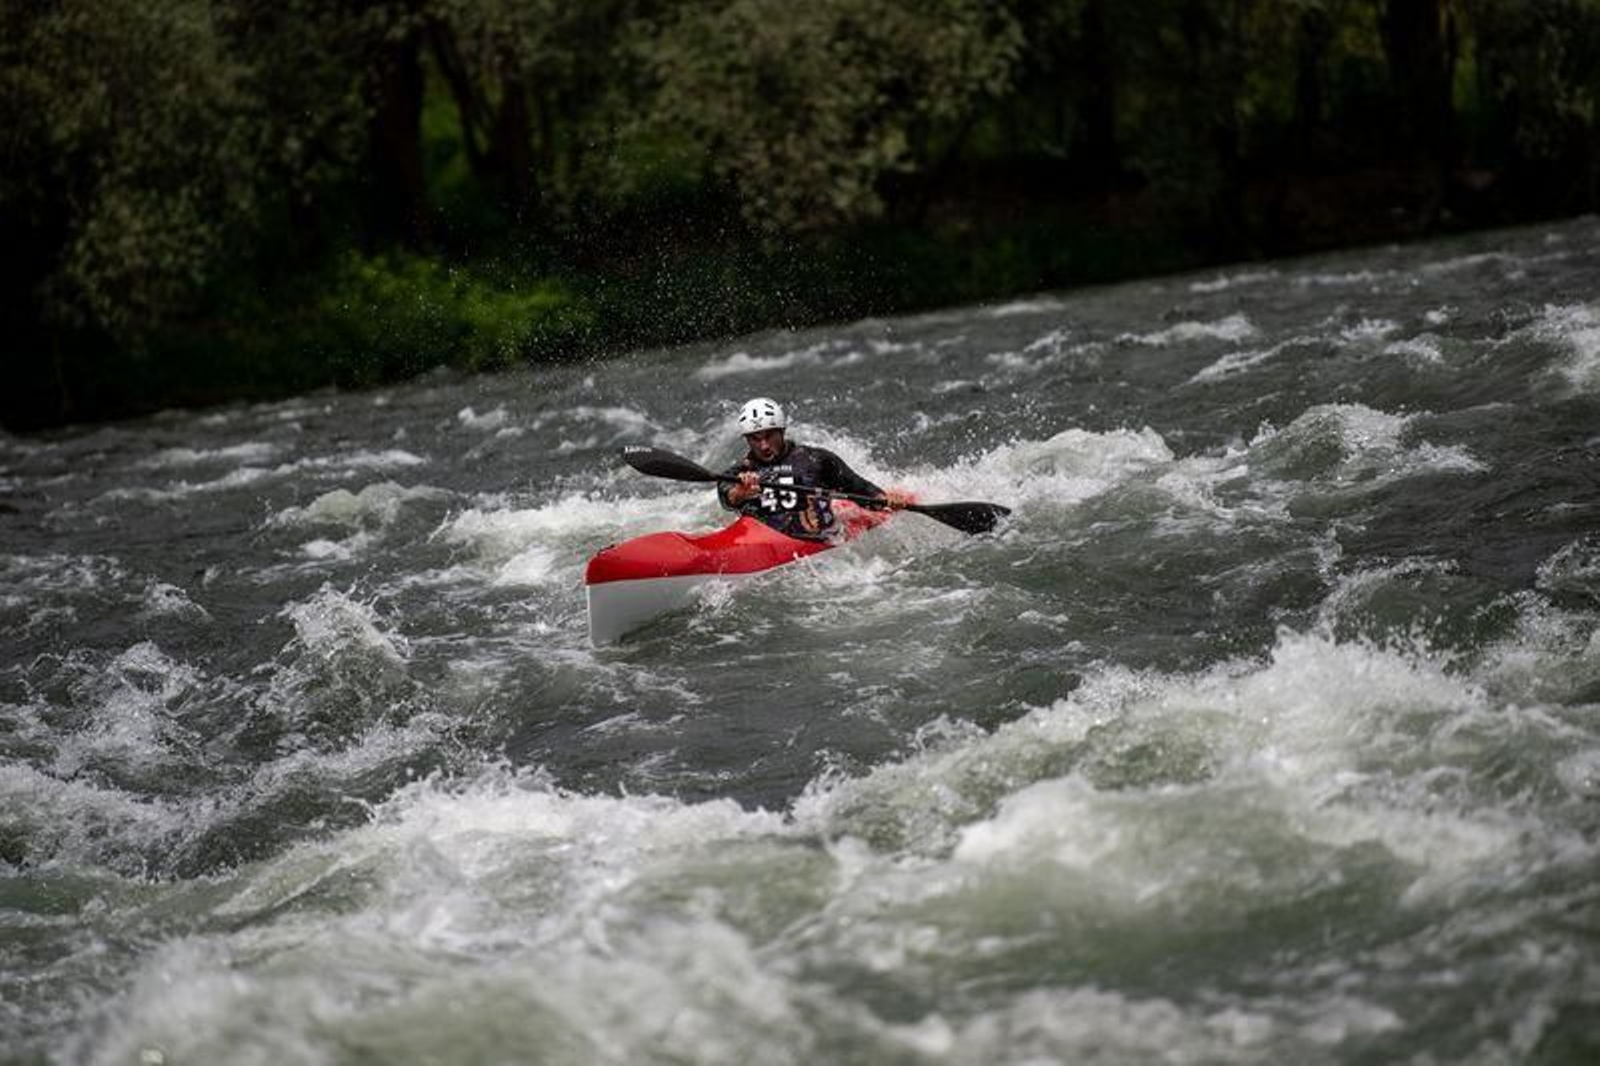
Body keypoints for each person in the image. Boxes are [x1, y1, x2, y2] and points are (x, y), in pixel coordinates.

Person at [718, 397, 909, 540]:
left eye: (769, 436)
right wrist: (739, 494)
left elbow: (859, 487)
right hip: (763, 543)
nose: (764, 446)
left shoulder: (815, 459)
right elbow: (726, 496)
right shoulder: (737, 474)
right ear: (747, 439)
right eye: (755, 439)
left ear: (782, 431)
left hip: (818, 541)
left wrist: (885, 499)